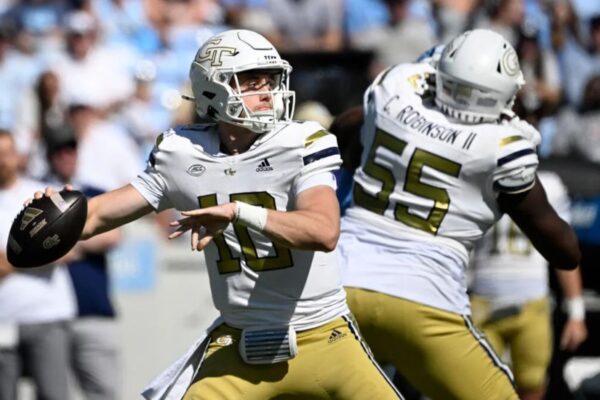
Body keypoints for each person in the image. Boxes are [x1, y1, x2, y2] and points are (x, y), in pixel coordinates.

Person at [31, 29, 402, 400]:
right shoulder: (183, 153)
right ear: (213, 90)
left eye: (270, 80)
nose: (267, 91)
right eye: (252, 81)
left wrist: (239, 213)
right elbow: (98, 216)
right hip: (238, 343)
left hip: (324, 335)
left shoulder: (300, 143)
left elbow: (323, 231)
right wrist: (58, 214)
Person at [330, 29, 581, 400]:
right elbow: (565, 251)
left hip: (339, 283)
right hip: (423, 300)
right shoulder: (502, 148)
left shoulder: (393, 92)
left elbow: (342, 135)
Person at [469, 170, 587, 400]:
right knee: (481, 387)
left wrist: (577, 312)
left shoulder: (550, 184)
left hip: (531, 301)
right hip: (483, 299)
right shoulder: (478, 171)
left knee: (532, 383)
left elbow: (562, 251)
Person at [44, 134, 123, 400]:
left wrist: (58, 244)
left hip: (92, 310)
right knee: (52, 392)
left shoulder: (94, 193)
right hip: (47, 316)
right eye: (59, 152)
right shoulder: (38, 196)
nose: (66, 157)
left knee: (104, 391)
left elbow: (112, 236)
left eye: (71, 151)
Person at [0, 130, 75, 400]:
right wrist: (31, 252)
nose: (2, 160)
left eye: (6, 153)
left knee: (53, 393)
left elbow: (67, 247)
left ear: (17, 156)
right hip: (4, 320)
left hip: (47, 316)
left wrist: (12, 260)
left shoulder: (38, 194)